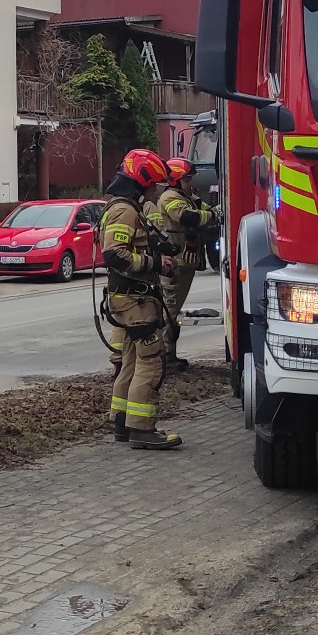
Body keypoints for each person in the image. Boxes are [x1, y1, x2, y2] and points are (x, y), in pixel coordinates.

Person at [102, 148, 181, 450]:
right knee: (151, 361)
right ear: (141, 182)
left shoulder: (125, 207)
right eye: (152, 185)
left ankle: (121, 422)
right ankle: (142, 429)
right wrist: (155, 264)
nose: (154, 191)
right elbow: (114, 254)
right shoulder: (125, 211)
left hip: (129, 299)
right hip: (134, 301)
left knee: (132, 362)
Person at [157, 158, 218, 372]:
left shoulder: (185, 196)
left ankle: (168, 355)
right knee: (169, 311)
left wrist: (217, 210)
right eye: (187, 178)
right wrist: (211, 215)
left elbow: (204, 209)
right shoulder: (170, 197)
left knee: (172, 310)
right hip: (176, 263)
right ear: (175, 180)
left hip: (184, 261)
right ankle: (165, 357)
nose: (190, 182)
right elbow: (187, 217)